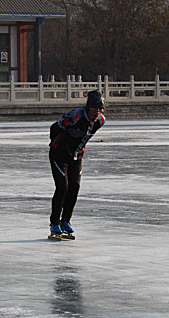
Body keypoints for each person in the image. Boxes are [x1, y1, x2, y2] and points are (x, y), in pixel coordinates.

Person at [48, 90, 106, 238]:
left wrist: (78, 151)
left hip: (76, 156)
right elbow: (54, 128)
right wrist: (59, 146)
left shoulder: (100, 121)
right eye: (93, 110)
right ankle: (55, 222)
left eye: (99, 111)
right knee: (62, 187)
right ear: (87, 108)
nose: (96, 114)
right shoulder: (75, 116)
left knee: (75, 187)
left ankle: (66, 221)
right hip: (59, 155)